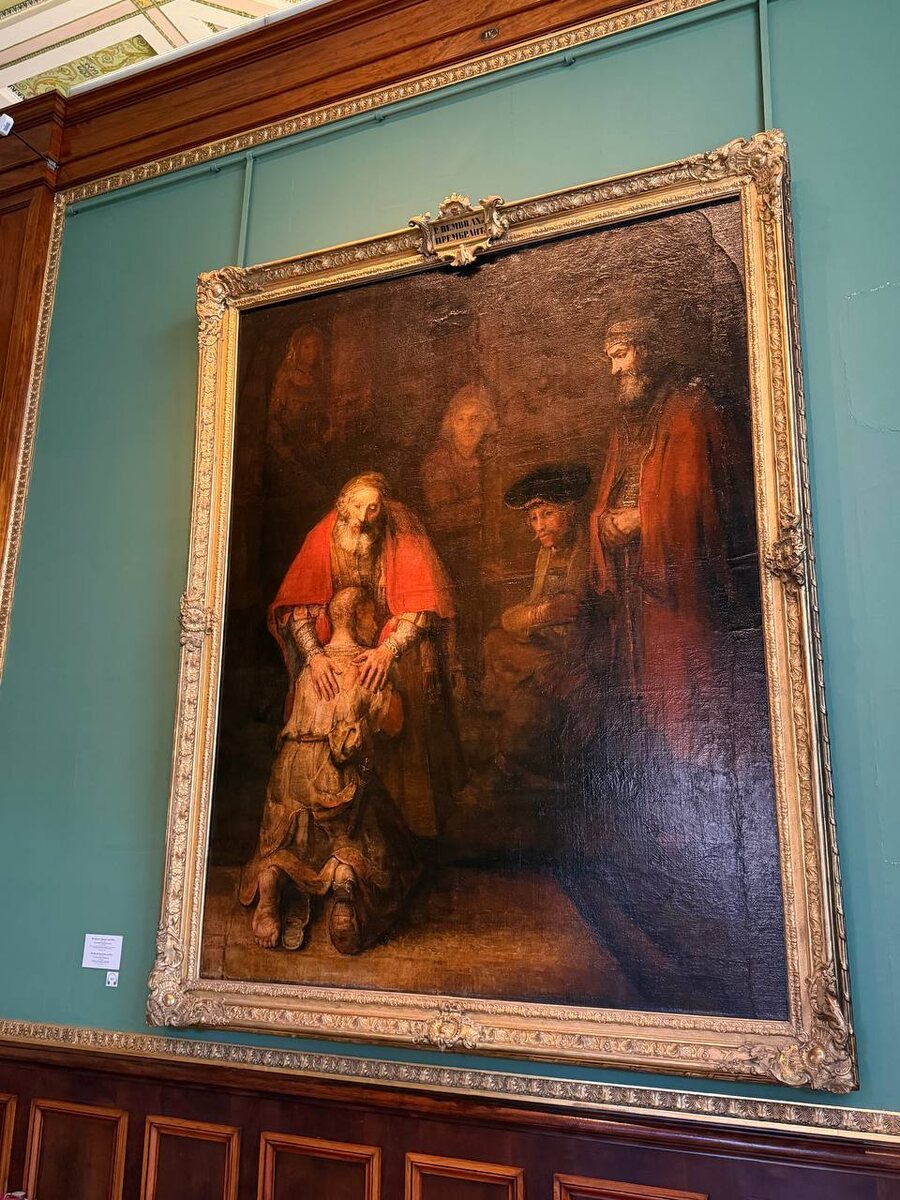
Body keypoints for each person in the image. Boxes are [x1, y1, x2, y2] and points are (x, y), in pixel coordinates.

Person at [268, 471, 462, 837]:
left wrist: (388, 650)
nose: (363, 517)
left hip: (390, 639)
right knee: (326, 688)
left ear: (382, 509)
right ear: (342, 506)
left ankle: (404, 821)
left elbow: (420, 606)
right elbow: (298, 608)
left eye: (372, 509)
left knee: (401, 676)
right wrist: (315, 657)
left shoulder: (400, 532)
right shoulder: (321, 537)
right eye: (357, 507)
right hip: (335, 640)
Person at [589, 316, 742, 760]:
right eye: (610, 359)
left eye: (621, 356)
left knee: (688, 693)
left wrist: (644, 519)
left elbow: (703, 501)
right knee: (646, 697)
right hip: (636, 584)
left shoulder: (690, 410)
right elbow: (610, 491)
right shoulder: (628, 421)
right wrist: (603, 522)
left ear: (647, 351)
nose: (615, 370)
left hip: (679, 589)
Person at [240, 587, 420, 954]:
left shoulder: (311, 666)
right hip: (337, 775)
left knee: (284, 841)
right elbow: (394, 725)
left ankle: (271, 886)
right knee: (370, 842)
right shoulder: (368, 666)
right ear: (359, 617)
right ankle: (344, 881)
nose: (376, 624)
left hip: (291, 772)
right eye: (373, 617)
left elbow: (291, 715)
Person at [481, 464, 593, 784]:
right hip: (550, 643)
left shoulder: (586, 548)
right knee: (496, 639)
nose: (539, 526)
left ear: (569, 510)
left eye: (547, 514)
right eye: (533, 518)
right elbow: (536, 608)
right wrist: (534, 615)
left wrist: (531, 616)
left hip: (583, 648)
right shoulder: (547, 553)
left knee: (530, 703)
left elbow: (569, 610)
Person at [420, 384, 500, 693]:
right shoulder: (436, 463)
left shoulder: (489, 460)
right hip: (449, 552)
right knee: (464, 611)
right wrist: (481, 507)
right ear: (451, 424)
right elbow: (443, 518)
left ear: (487, 422)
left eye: (476, 419)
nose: (468, 427)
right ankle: (462, 681)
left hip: (482, 550)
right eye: (461, 419)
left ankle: (483, 681)